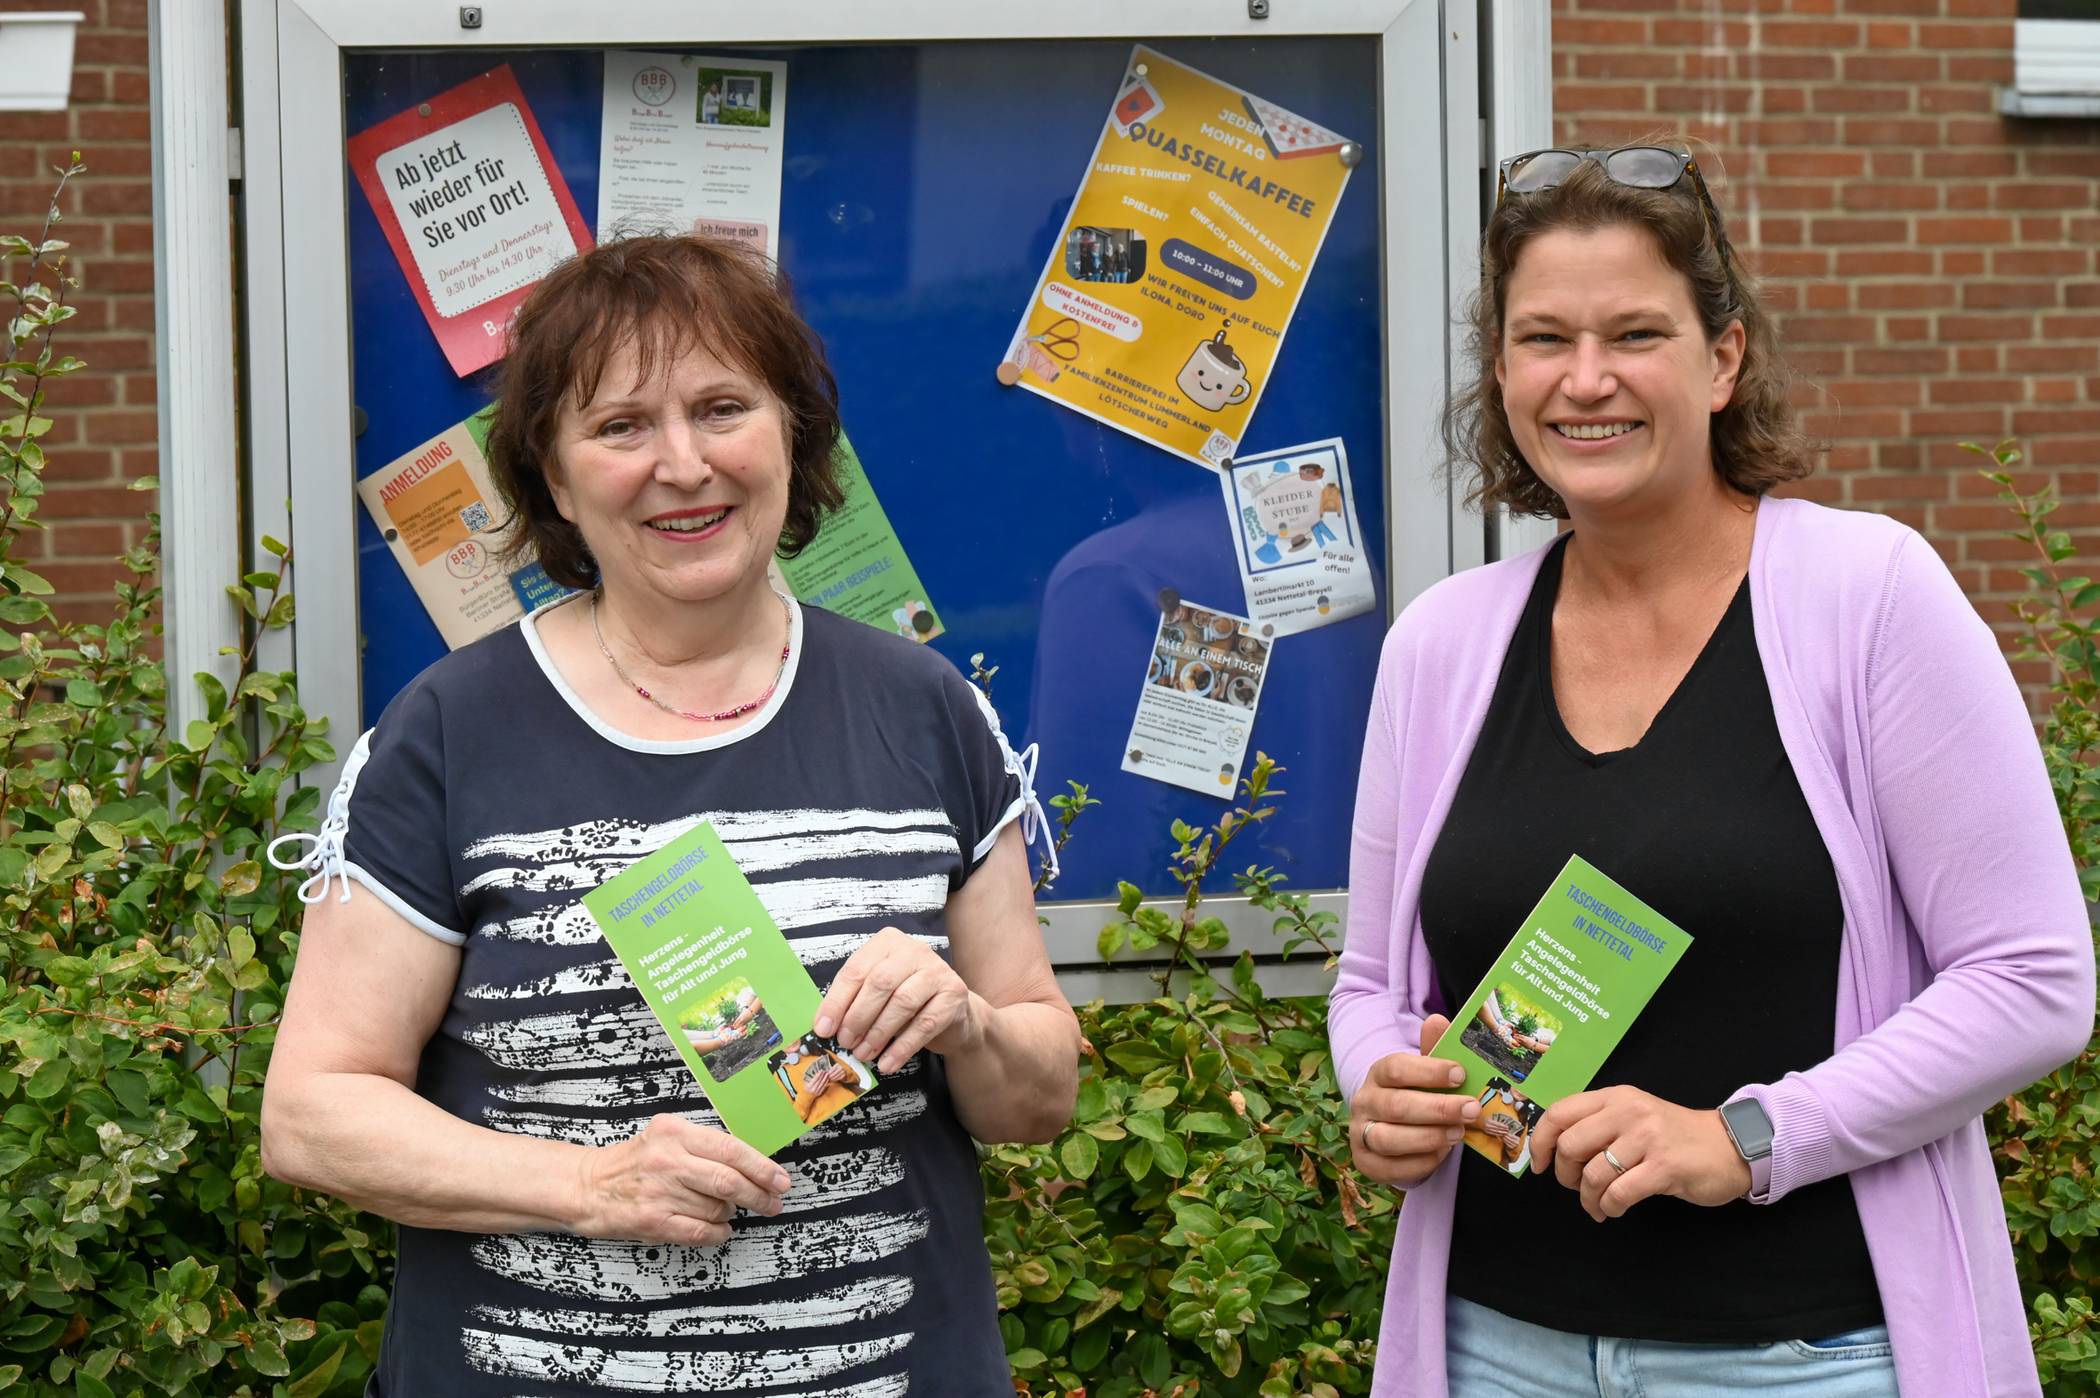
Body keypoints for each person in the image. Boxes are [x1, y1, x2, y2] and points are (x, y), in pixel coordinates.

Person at [1328, 144, 2092, 1398]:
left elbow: (2036, 980)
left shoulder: (1870, 598)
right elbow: (1369, 984)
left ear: (1723, 359)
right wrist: (1384, 1087)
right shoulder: (1443, 645)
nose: (1586, 380)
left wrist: (1744, 1137)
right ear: (1502, 372)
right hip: (1490, 1348)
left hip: (1807, 1357)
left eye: (1635, 333)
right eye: (1542, 339)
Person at [261, 233, 1082, 1396]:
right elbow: (311, 1114)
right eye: (620, 426)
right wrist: (589, 1186)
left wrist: (972, 1026)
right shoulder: (451, 731)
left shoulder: (924, 708)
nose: (683, 463)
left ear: (791, 435)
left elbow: (1039, 1098)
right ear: (553, 477)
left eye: (721, 407)